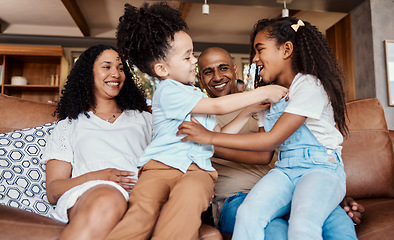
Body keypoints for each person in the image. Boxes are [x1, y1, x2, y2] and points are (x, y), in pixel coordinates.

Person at [105, 3, 288, 240]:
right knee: (141, 213)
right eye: (188, 56)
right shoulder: (168, 91)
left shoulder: (197, 97)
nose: (193, 61)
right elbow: (218, 106)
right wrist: (264, 92)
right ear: (162, 69)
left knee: (186, 209)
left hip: (198, 172)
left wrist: (245, 113)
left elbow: (221, 134)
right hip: (160, 167)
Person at [178, 17, 358, 239]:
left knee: (337, 226)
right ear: (199, 78)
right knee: (271, 227)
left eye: (223, 68)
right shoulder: (203, 110)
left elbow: (268, 148)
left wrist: (333, 194)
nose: (217, 77)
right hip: (252, 190)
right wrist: (208, 138)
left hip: (307, 172)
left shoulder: (280, 94)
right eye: (207, 71)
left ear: (235, 70)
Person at [41, 45, 152, 240]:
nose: (116, 74)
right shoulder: (69, 126)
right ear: (87, 74)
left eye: (120, 67)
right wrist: (99, 177)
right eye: (107, 67)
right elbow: (53, 190)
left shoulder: (145, 120)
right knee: (109, 197)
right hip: (89, 194)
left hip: (142, 196)